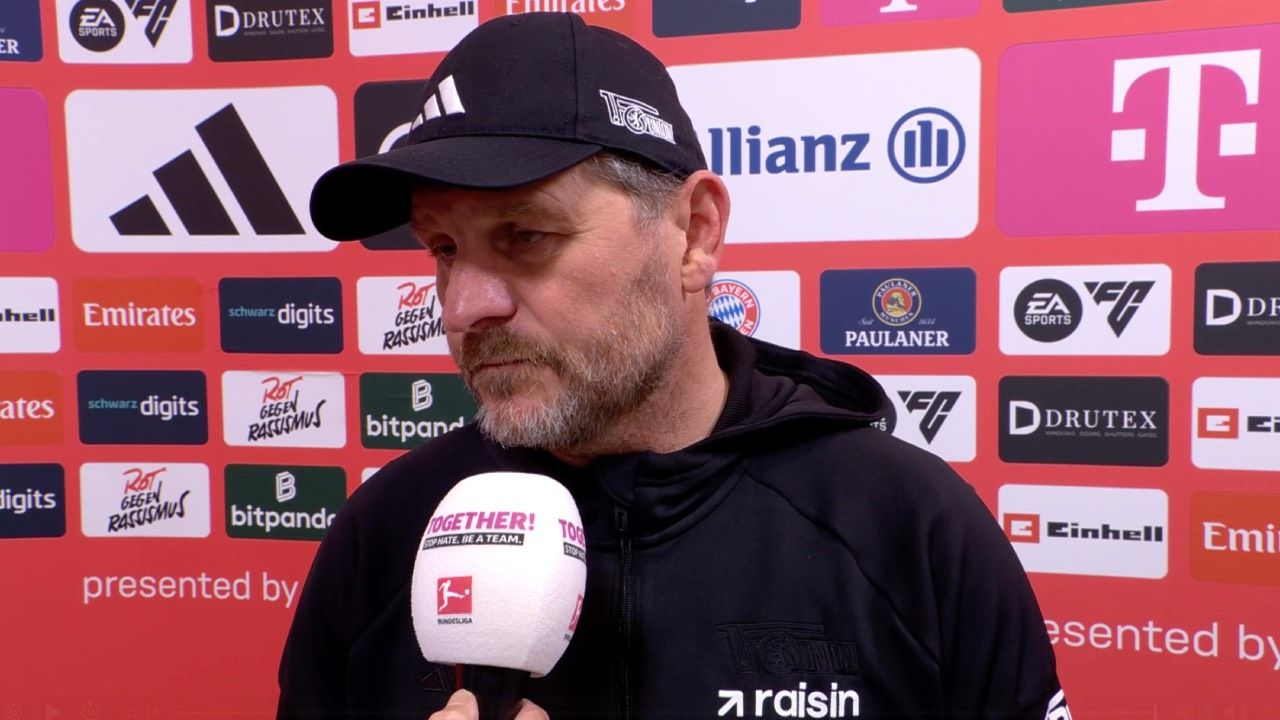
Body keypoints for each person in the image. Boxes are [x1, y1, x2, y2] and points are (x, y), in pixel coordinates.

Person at [278, 12, 1068, 720]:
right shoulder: (386, 533)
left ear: (694, 233)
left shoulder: (910, 528)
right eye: (444, 249)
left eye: (526, 236)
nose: (463, 308)